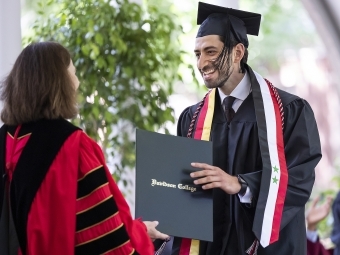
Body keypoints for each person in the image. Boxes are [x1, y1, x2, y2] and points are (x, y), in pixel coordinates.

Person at [174, 2, 322, 255]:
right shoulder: (192, 118)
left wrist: (241, 184)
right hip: (213, 247)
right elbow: (184, 187)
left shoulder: (291, 111)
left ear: (238, 52)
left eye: (211, 52)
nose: (201, 63)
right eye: (198, 54)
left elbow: (299, 179)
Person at [0, 42, 168, 255]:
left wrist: (141, 229)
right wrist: (140, 236)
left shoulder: (5, 138)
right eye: (74, 73)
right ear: (59, 82)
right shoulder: (73, 146)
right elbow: (104, 236)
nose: (77, 83)